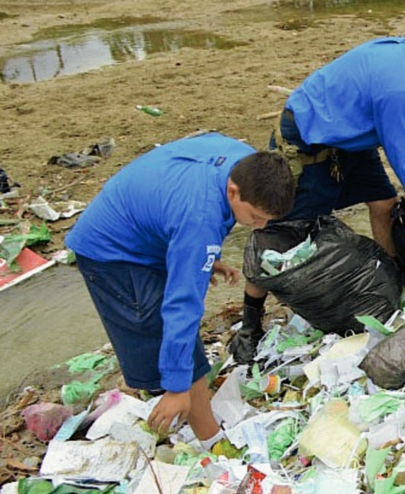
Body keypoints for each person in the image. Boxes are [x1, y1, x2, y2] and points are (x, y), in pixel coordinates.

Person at [233, 31, 405, 359]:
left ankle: (393, 277)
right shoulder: (399, 87)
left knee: (383, 202)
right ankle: (250, 321)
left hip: (355, 131)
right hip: (312, 136)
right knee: (282, 229)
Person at [65, 134, 295, 445]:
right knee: (167, 337)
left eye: (267, 220)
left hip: (142, 223)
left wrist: (202, 257)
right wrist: (176, 388)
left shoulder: (244, 162)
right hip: (112, 252)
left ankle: (188, 404)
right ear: (233, 190)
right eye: (255, 217)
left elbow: (182, 216)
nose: (260, 227)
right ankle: (210, 441)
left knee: (177, 348)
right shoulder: (200, 219)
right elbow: (182, 306)